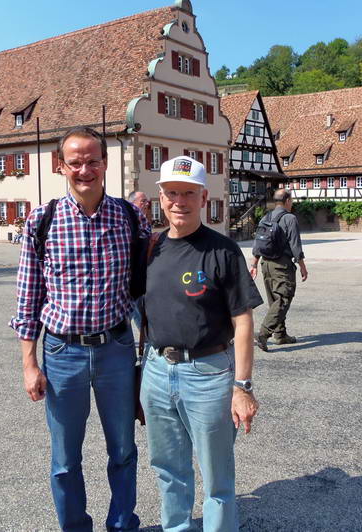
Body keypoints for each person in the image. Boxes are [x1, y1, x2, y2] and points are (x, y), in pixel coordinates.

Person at [10, 126, 149, 532]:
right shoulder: (43, 218)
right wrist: (28, 363)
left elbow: (142, 289)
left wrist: (150, 352)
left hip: (116, 349)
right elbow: (27, 297)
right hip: (61, 352)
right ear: (61, 166)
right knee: (65, 458)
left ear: (105, 163)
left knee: (123, 449)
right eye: (75, 162)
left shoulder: (129, 216)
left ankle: (122, 524)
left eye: (92, 161)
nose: (84, 169)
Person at [140, 155, 262, 531]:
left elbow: (243, 322)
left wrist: (241, 388)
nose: (180, 201)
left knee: (217, 478)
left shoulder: (222, 251)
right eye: (172, 192)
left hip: (209, 375)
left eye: (189, 193)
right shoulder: (150, 249)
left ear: (203, 197)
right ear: (160, 197)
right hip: (158, 371)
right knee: (168, 468)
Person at [250, 189, 308, 352]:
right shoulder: (290, 218)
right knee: (283, 298)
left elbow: (258, 243)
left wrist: (254, 264)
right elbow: (296, 245)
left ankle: (281, 335)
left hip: (266, 265)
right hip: (282, 265)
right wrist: (302, 266)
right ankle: (263, 333)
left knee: (275, 300)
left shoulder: (265, 217)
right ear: (287, 201)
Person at [127, 190, 152, 330]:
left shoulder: (144, 221)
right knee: (134, 312)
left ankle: (145, 340)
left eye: (147, 201)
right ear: (132, 203)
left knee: (139, 313)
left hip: (141, 277)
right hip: (129, 278)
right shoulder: (126, 221)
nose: (147, 204)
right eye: (143, 201)